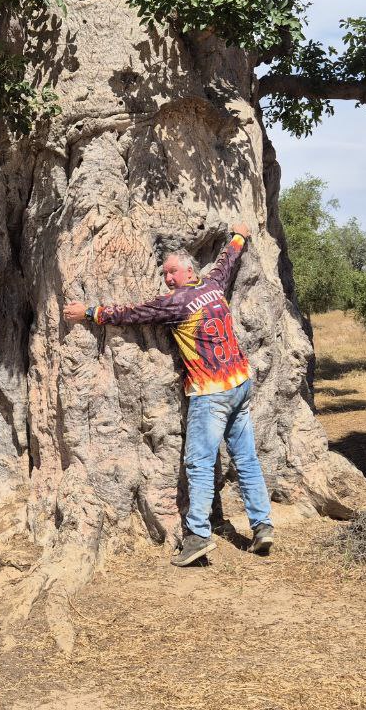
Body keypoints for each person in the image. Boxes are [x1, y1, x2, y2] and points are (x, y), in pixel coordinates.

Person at [63, 223, 274, 566]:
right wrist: (238, 237)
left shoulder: (176, 303)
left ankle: (198, 537)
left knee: (200, 464)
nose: (168, 278)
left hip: (211, 392)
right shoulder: (212, 285)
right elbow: (226, 263)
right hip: (240, 382)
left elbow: (131, 314)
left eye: (172, 271)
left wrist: (89, 312)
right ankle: (262, 525)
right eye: (164, 273)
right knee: (246, 458)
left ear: (189, 270)